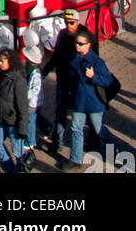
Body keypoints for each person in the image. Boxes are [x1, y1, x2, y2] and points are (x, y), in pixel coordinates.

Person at [43, 9, 97, 153]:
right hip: (63, 80)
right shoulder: (62, 35)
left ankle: (93, 141)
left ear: (78, 22)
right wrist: (45, 71)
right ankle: (57, 142)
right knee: (60, 111)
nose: (68, 26)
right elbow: (56, 56)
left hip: (79, 84)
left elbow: (94, 59)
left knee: (83, 112)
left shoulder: (86, 36)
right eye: (66, 22)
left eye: (71, 23)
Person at [64, 29, 115, 170]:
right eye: (76, 43)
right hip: (78, 101)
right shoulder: (73, 59)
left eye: (81, 44)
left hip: (94, 103)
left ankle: (113, 150)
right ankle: (75, 159)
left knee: (99, 130)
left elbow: (108, 80)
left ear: (88, 45)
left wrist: (94, 77)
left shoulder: (97, 62)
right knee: (76, 128)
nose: (77, 46)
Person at [0, 48, 28, 172]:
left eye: (2, 61)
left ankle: (19, 170)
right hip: (2, 118)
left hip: (14, 122)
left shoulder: (18, 81)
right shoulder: (2, 76)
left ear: (10, 62)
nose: (0, 64)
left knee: (18, 152)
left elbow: (23, 107)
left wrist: (23, 128)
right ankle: (10, 169)